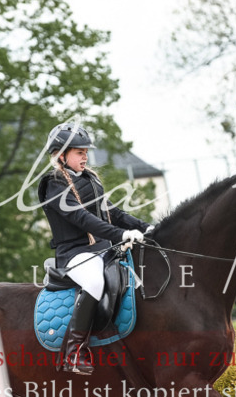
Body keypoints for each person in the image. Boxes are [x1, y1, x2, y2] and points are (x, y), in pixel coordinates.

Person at [37, 122, 151, 375]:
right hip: (75, 254)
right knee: (94, 282)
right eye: (79, 152)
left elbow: (112, 212)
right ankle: (74, 351)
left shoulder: (90, 179)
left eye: (86, 151)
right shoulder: (53, 184)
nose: (85, 156)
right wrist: (121, 234)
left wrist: (146, 227)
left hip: (102, 249)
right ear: (60, 155)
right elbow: (82, 220)